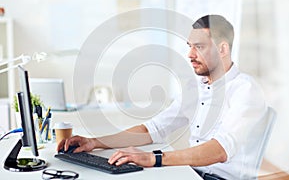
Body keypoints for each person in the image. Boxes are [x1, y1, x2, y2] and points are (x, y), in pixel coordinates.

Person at [57, 15, 267, 179]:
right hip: (191, 173)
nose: (190, 55)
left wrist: (153, 158)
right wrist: (95, 142)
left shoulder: (245, 91)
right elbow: (154, 129)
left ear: (223, 49)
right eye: (189, 46)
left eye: (199, 47)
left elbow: (220, 150)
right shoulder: (197, 87)